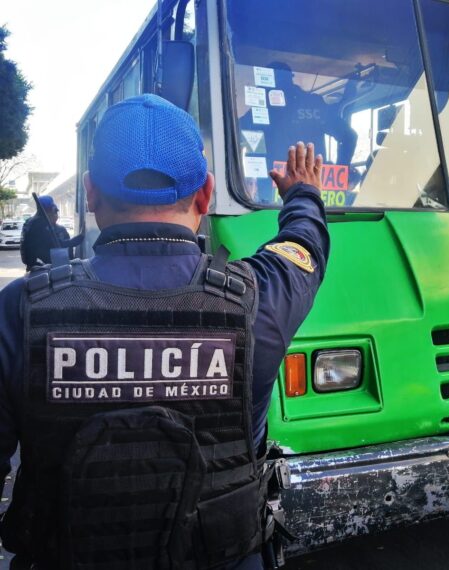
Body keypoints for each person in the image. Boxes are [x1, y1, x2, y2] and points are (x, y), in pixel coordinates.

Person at [0, 94, 329, 569]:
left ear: (91, 195)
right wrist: (303, 194)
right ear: (205, 194)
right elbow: (304, 247)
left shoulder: (19, 310)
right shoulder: (258, 300)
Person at [240, 62, 357, 203]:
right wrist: (339, 172)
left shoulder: (264, 107)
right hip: (313, 190)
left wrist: (339, 174)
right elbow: (349, 137)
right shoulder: (312, 104)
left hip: (272, 192)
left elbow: (237, 130)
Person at [20, 195, 84, 270]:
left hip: (35, 266)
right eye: (54, 211)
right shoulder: (39, 224)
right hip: (41, 268)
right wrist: (81, 237)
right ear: (49, 210)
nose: (56, 214)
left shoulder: (31, 222)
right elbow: (58, 244)